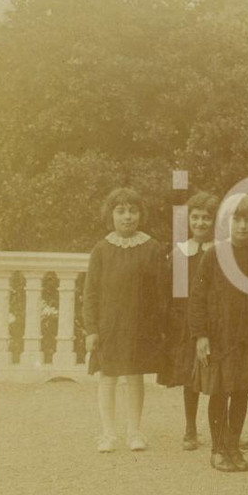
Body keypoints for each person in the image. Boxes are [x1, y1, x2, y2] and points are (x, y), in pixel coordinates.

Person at [189, 194, 248, 473]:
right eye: (237, 219)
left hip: (246, 339)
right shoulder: (214, 254)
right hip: (218, 337)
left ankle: (233, 446)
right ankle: (218, 449)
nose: (243, 226)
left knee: (240, 392)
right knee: (219, 392)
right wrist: (201, 334)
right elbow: (198, 296)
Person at [84, 188, 167, 453]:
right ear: (110, 215)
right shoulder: (102, 249)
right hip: (109, 326)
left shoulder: (152, 248)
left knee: (134, 376)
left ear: (141, 215)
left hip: (139, 326)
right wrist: (91, 329)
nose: (127, 217)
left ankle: (134, 432)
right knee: (108, 377)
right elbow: (90, 292)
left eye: (133, 211)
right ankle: (108, 433)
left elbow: (161, 292)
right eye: (121, 211)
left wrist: (159, 326)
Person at [158, 191, 219, 451]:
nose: (200, 223)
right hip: (187, 323)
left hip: (216, 322)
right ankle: (190, 429)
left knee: (218, 378)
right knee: (189, 378)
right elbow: (175, 293)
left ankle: (223, 431)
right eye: (195, 217)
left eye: (206, 218)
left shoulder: (222, 251)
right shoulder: (181, 252)